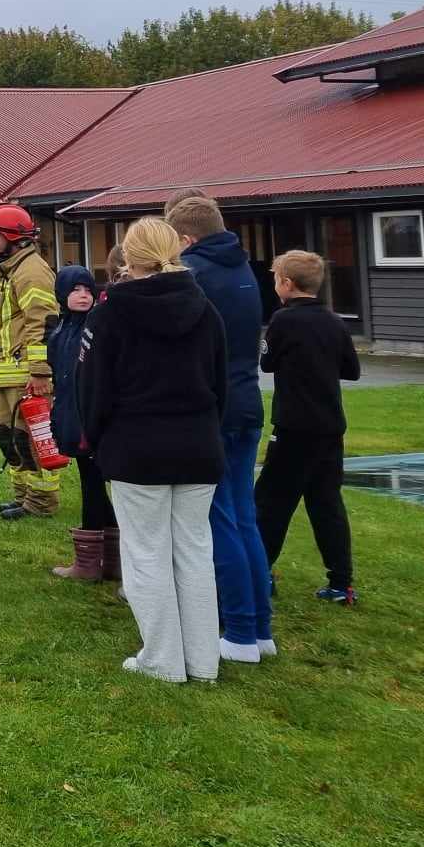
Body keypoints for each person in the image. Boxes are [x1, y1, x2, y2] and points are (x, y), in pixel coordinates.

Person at [79, 217, 229, 684]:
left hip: (135, 446)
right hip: (197, 443)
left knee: (146, 553)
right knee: (194, 550)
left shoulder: (109, 313)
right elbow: (219, 383)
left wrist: (98, 439)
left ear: (128, 259)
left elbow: (93, 389)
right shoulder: (207, 310)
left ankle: (163, 658)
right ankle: (202, 659)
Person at [168, 194, 275, 663]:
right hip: (248, 400)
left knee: (219, 520)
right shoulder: (242, 270)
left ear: (187, 239)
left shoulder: (195, 275)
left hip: (215, 407)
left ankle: (237, 631)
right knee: (245, 515)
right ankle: (259, 626)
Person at [255, 249, 362, 606]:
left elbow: (267, 362)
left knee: (271, 502)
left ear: (286, 283)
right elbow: (352, 369)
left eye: (275, 279)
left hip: (292, 426)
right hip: (330, 427)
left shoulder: (284, 321)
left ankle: (260, 572)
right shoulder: (334, 322)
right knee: (326, 502)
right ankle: (341, 582)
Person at [0, 205, 61, 522]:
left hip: (26, 376)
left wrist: (40, 372)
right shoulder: (6, 270)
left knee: (29, 439)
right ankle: (23, 497)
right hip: (7, 375)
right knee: (8, 436)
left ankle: (41, 501)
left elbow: (40, 324)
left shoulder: (31, 272)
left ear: (14, 236)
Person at [45, 265, 111, 582]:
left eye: (87, 290)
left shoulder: (95, 328)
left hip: (91, 420)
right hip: (71, 414)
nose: (83, 296)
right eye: (75, 290)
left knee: (93, 484)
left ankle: (88, 561)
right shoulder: (60, 331)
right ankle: (111, 557)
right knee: (91, 481)